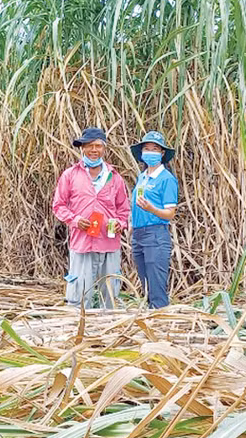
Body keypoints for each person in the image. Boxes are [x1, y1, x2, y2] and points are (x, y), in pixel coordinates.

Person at [52, 127, 130, 309]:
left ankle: (106, 328)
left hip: (109, 243)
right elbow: (58, 205)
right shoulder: (70, 175)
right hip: (82, 241)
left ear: (104, 149)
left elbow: (124, 209)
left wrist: (120, 223)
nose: (94, 150)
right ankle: (77, 328)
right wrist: (75, 220)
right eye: (89, 146)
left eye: (98, 146)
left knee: (109, 291)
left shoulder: (114, 177)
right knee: (79, 290)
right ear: (82, 148)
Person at [129, 131, 178, 308]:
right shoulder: (142, 177)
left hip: (156, 234)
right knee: (146, 283)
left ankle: (160, 319)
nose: (150, 152)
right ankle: (151, 317)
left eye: (155, 149)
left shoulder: (166, 179)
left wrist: (151, 209)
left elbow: (170, 213)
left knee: (157, 286)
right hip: (138, 234)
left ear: (162, 153)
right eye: (147, 149)